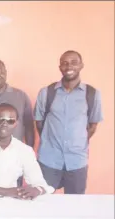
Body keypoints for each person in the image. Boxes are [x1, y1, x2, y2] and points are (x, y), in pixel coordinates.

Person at [34, 50, 103, 194]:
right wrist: (50, 140)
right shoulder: (46, 92)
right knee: (43, 203)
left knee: (76, 206)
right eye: (64, 63)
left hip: (77, 161)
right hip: (49, 160)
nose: (69, 66)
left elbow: (92, 126)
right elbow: (39, 123)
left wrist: (77, 141)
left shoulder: (92, 94)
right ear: (60, 67)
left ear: (81, 65)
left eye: (73, 62)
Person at [0, 103, 54, 199]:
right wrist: (6, 191)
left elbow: (39, 182)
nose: (4, 124)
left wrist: (36, 190)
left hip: (13, 203)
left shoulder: (25, 150)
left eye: (10, 121)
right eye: (0, 120)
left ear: (16, 123)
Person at [0, 59, 35, 148]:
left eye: (0, 71)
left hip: (15, 152)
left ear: (6, 73)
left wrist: (30, 150)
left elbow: (29, 127)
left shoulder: (21, 96)